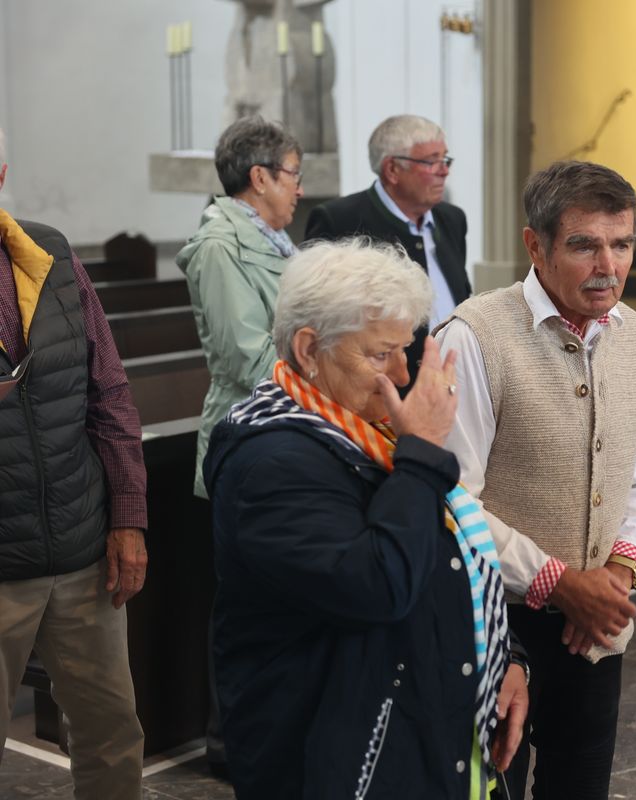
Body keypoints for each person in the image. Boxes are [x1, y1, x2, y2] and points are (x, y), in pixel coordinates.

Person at [204, 239, 529, 799]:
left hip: (421, 736)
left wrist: (507, 658)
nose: (402, 372)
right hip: (341, 761)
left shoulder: (370, 436)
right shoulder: (272, 463)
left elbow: (449, 558)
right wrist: (423, 451)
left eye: (406, 350)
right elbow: (379, 585)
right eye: (380, 355)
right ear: (309, 349)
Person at [436, 160, 636, 799]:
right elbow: (451, 497)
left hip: (596, 625)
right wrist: (560, 583)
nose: (609, 265)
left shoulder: (634, 335)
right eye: (584, 245)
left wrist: (617, 576)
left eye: (622, 244)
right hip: (494, 623)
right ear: (534, 246)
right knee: (489, 790)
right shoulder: (475, 334)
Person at [0, 125, 147, 798]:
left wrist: (128, 519)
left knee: (112, 735)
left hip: (82, 551)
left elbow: (109, 391)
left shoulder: (47, 252)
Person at [177, 115, 304, 499]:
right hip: (252, 434)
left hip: (288, 426)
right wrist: (330, 380)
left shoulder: (275, 241)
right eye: (294, 174)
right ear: (261, 178)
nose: (300, 189)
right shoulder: (220, 247)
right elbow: (248, 359)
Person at [306, 114, 470, 383]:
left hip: (455, 381)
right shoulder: (339, 220)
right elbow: (321, 319)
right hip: (386, 390)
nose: (444, 170)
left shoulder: (452, 219)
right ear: (392, 170)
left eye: (445, 159)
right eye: (432, 161)